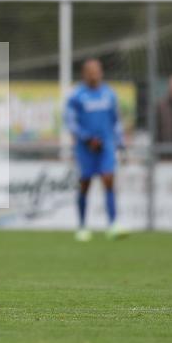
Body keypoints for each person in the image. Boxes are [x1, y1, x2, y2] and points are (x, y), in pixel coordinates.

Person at [64, 59, 126, 241]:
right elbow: (70, 122)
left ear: (101, 72)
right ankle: (82, 226)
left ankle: (113, 224)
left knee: (108, 179)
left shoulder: (109, 94)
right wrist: (87, 137)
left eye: (96, 70)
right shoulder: (76, 96)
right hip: (86, 147)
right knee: (85, 183)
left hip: (106, 145)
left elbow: (116, 120)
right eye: (90, 71)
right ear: (84, 73)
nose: (94, 74)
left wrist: (120, 142)